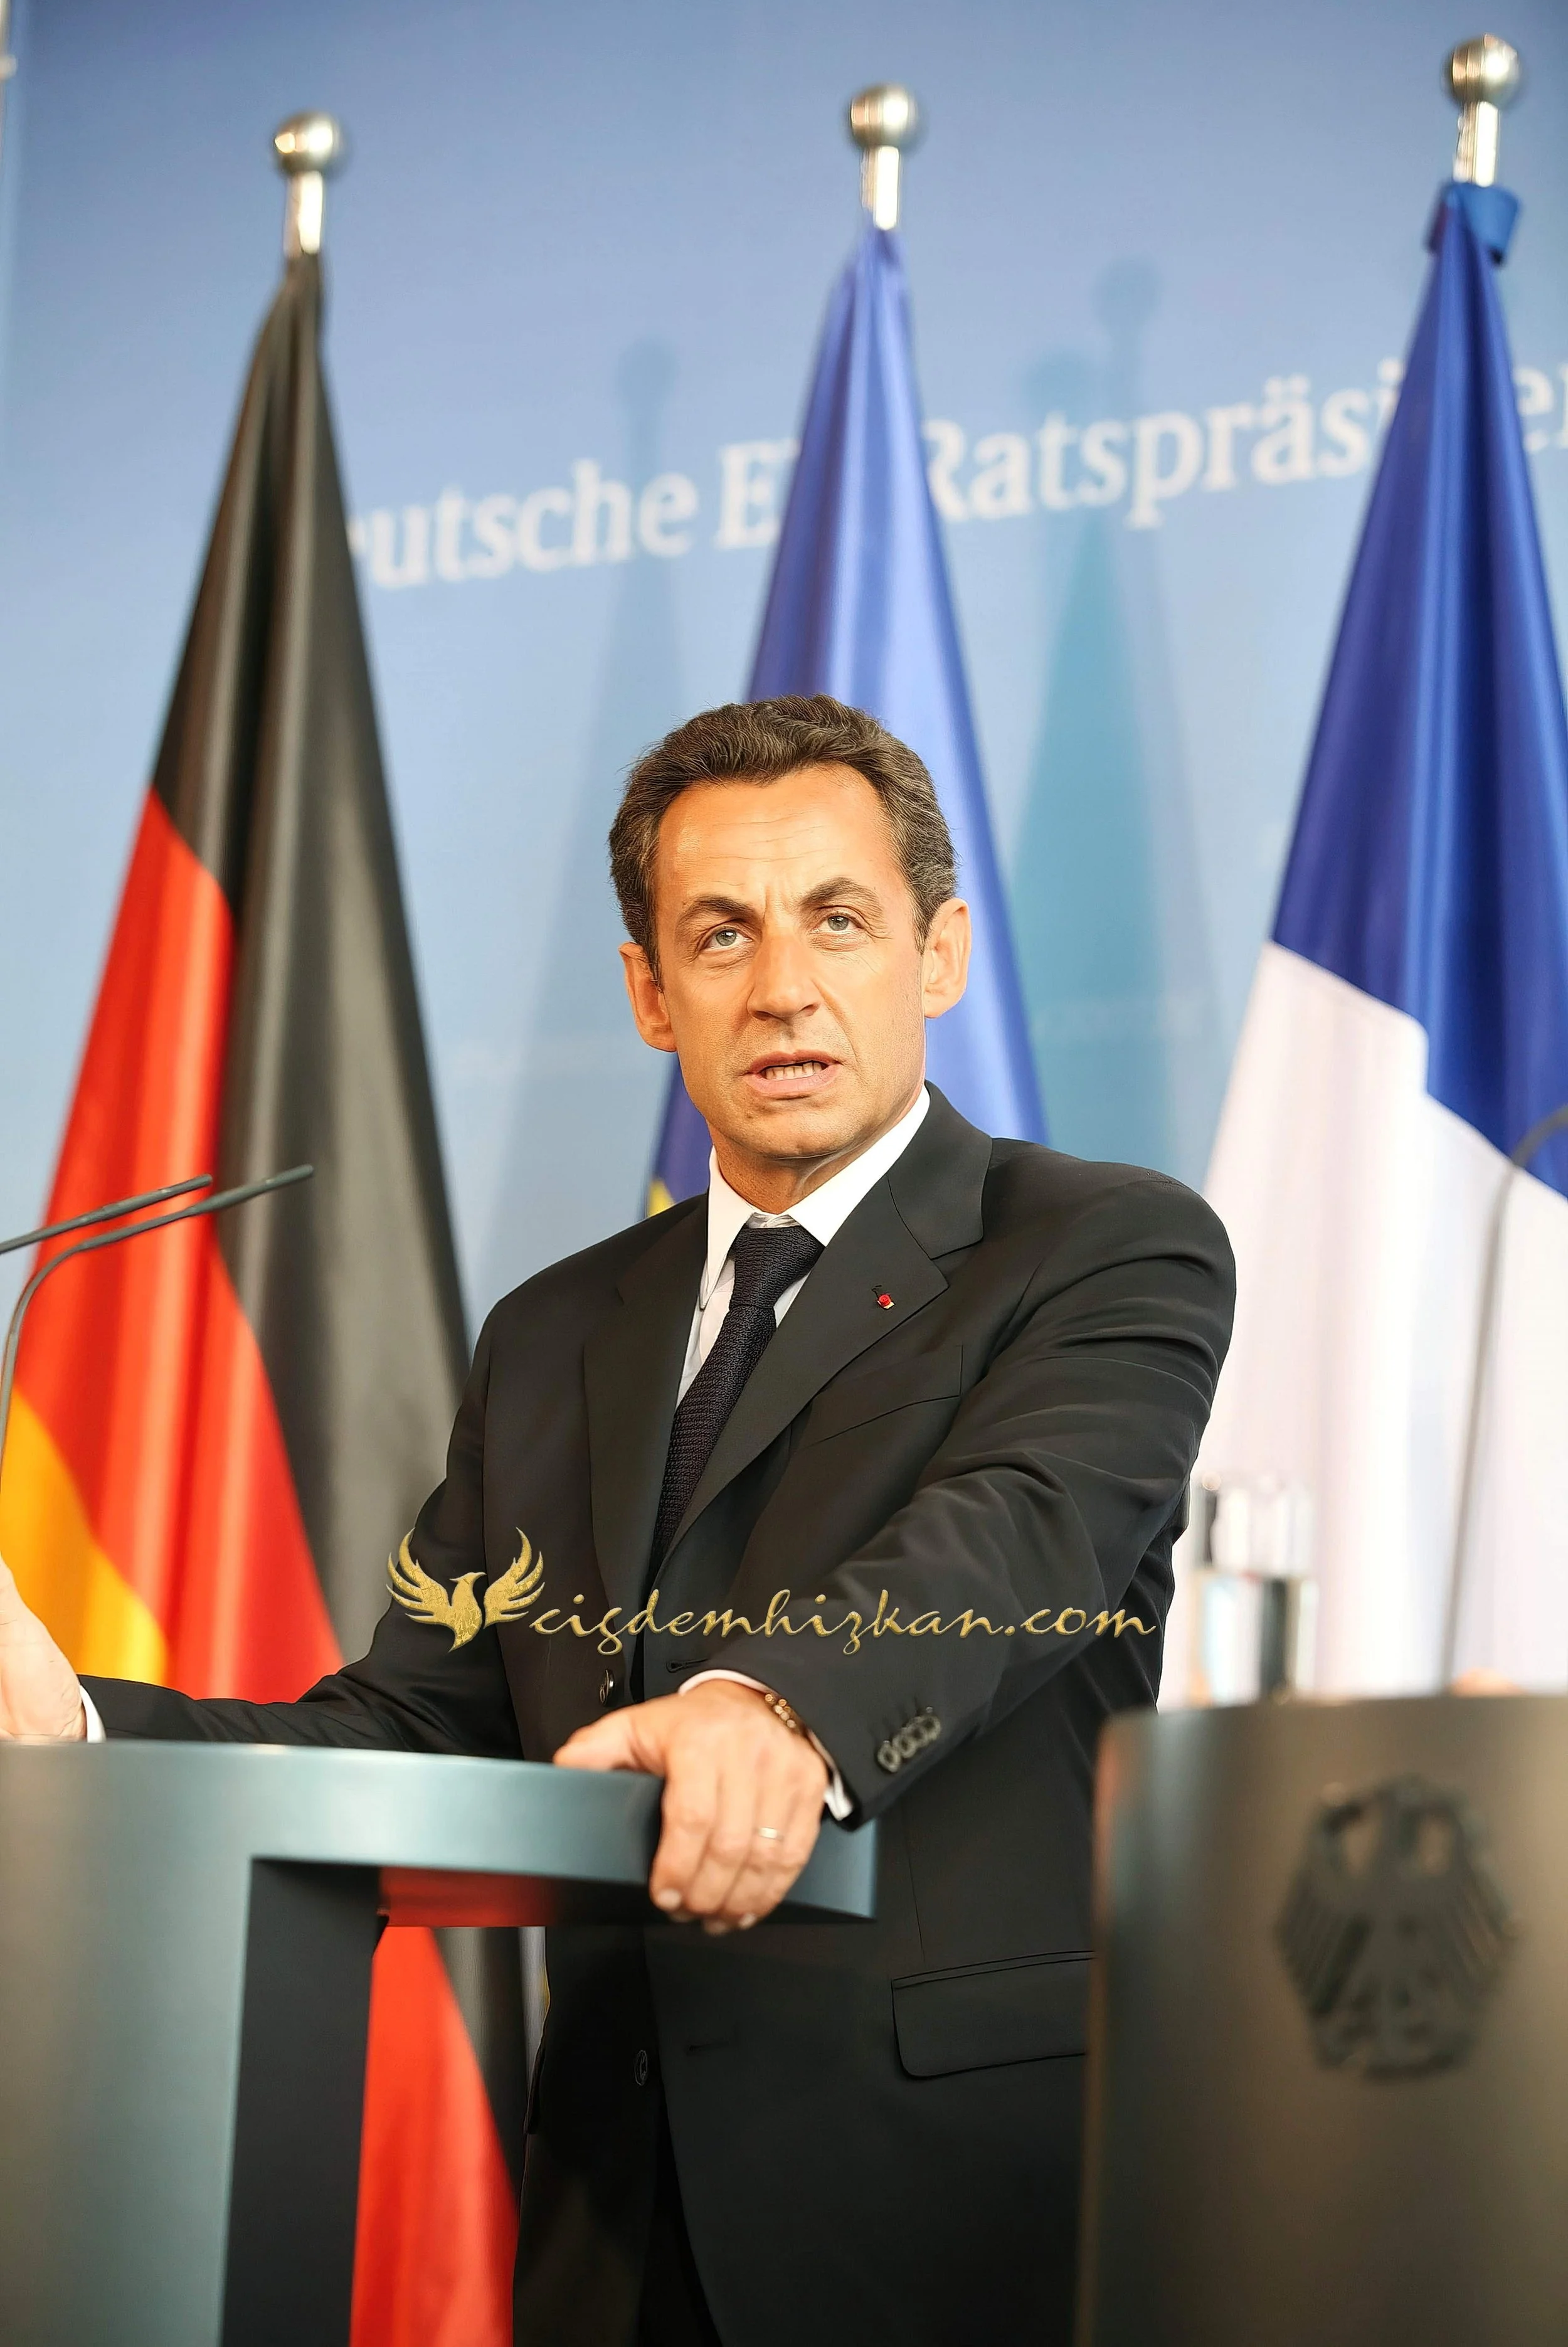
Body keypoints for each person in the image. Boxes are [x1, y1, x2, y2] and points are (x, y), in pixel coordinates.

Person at [0, 694, 1234, 2347]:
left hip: (953, 2203)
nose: (783, 987)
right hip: (610, 2206)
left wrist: (770, 1708)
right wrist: (70, 1728)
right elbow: (418, 1724)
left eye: (837, 921)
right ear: (652, 992)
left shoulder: (1100, 1247)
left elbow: (1012, 1537)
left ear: (935, 953)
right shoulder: (554, 1329)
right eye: (717, 934)